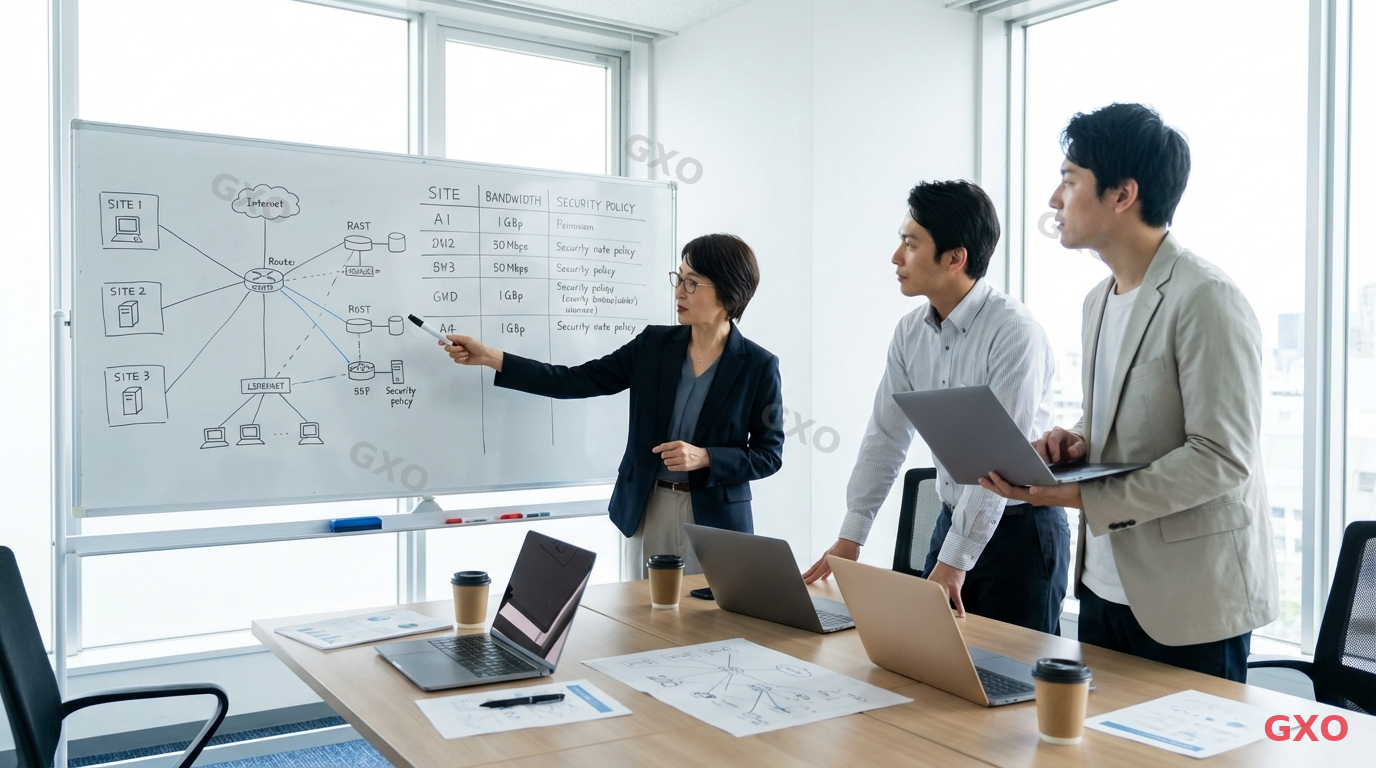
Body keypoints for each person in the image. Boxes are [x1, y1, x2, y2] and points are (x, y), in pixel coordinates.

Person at [980, 103, 1279, 682]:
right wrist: (1076, 442)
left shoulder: (1206, 297)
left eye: (1069, 181)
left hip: (1189, 601)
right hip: (1103, 589)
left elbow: (1221, 457)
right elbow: (1123, 420)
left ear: (1122, 194)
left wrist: (1082, 500)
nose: (1053, 199)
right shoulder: (1099, 300)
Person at [802, 180, 1069, 635]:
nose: (895, 257)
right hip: (950, 526)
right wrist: (852, 536)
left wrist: (954, 561)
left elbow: (997, 461)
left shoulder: (1014, 332)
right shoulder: (910, 334)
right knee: (932, 670)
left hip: (1020, 534)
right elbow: (885, 438)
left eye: (910, 244)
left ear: (954, 258)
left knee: (1015, 688)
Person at [440, 233, 784, 579]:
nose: (679, 291)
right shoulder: (653, 345)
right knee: (648, 620)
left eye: (692, 283)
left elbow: (769, 454)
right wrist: (491, 357)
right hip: (648, 506)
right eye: (679, 278)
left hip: (717, 520)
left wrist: (706, 457)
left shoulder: (757, 365)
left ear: (728, 291)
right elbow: (575, 379)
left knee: (713, 624)